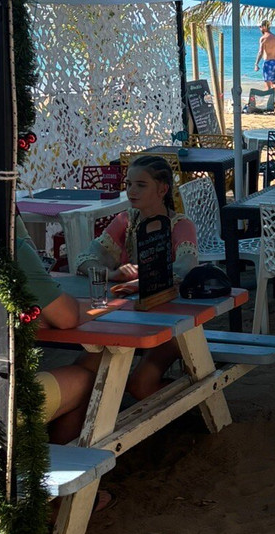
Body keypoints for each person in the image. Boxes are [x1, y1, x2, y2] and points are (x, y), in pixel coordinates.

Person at [0, 168, 96, 463]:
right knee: (86, 378)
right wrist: (102, 304)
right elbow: (66, 317)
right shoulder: (6, 249)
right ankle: (55, 474)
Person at [75, 156, 198, 400]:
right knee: (86, 371)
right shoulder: (127, 221)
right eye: (129, 184)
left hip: (174, 324)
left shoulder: (180, 226)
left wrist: (137, 281)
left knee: (140, 386)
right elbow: (85, 258)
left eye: (141, 185)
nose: (131, 191)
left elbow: (184, 269)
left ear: (162, 189)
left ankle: (192, 403)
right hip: (128, 321)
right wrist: (112, 274)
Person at [253, 20, 275, 103]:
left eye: (260, 27)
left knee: (269, 84)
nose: (259, 28)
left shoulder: (263, 38)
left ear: (264, 27)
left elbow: (260, 52)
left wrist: (256, 64)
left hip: (268, 63)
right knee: (272, 82)